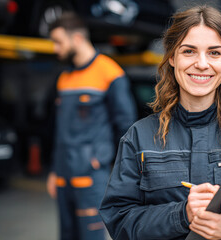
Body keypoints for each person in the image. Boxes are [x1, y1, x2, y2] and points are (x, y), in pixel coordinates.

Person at [99, 6, 221, 240]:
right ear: (173, 57)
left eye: (214, 53)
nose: (202, 64)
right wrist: (181, 214)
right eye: (189, 51)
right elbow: (119, 221)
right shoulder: (140, 137)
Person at [46, 12, 137, 240]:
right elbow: (60, 131)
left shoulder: (109, 72)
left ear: (76, 38)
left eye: (59, 42)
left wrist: (106, 163)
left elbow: (126, 126)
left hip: (91, 175)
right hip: (63, 176)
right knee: (67, 235)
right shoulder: (64, 78)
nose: (56, 49)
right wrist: (54, 171)